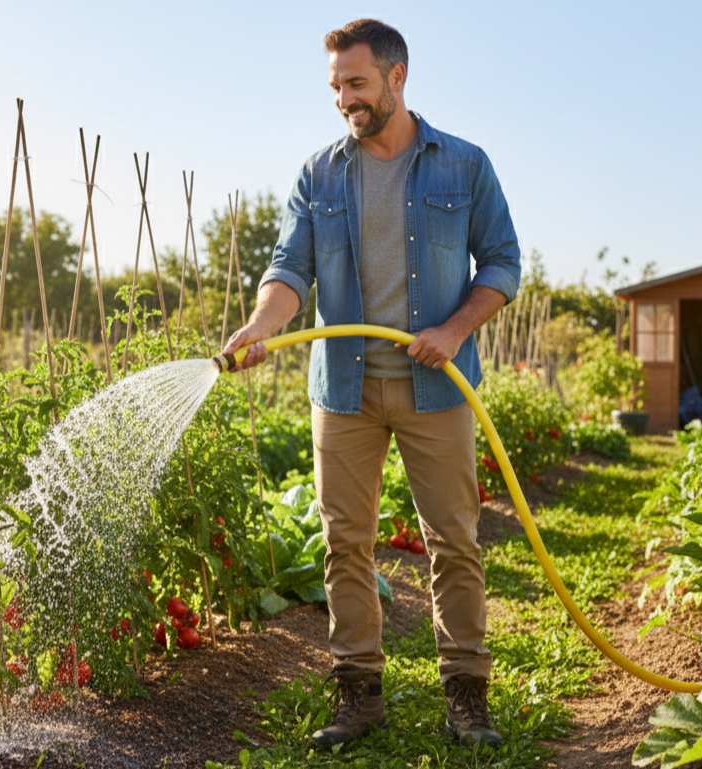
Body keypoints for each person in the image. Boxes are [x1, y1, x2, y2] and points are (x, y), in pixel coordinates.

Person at [222, 18, 521, 751]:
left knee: (452, 541)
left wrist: (453, 330)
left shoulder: (464, 166)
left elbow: (504, 265)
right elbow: (289, 271)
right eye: (335, 87)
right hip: (345, 391)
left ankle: (466, 694)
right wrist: (261, 323)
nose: (344, 100)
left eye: (356, 83)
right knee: (344, 543)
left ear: (397, 77)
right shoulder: (319, 174)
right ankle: (358, 693)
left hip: (438, 387)